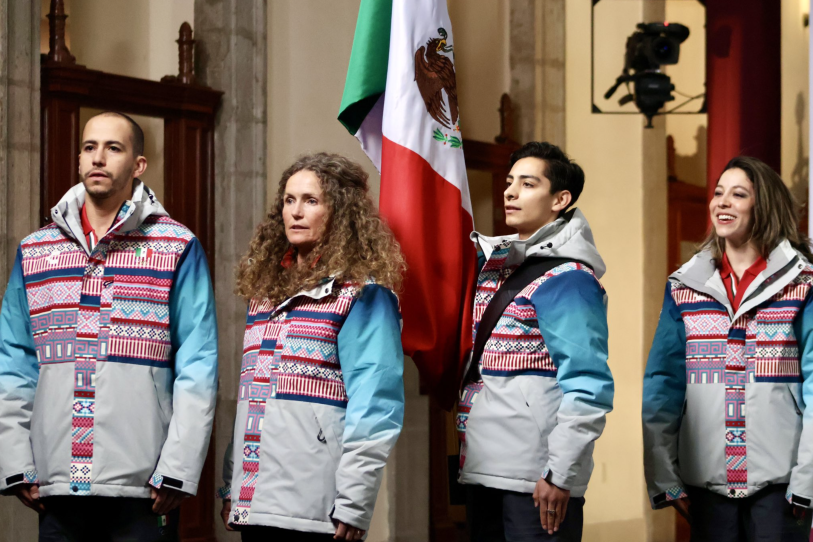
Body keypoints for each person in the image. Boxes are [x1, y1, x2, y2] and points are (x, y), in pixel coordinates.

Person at [0, 112, 218, 541]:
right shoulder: (35, 251)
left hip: (144, 488)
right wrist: (15, 462)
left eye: (113, 148)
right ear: (79, 159)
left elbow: (199, 366)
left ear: (139, 165)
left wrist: (178, 469)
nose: (98, 157)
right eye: (89, 147)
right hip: (57, 485)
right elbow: (14, 363)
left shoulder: (177, 246)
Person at [219, 152, 406, 541]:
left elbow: (375, 404)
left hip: (317, 508)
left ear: (340, 211)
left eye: (311, 200)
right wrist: (232, 485)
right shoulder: (264, 295)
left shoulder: (362, 294)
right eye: (289, 200)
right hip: (254, 502)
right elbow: (251, 400)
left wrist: (355, 501)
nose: (296, 212)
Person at [643, 156, 813, 541]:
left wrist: (808, 480)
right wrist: (665, 477)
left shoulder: (802, 284)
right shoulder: (684, 287)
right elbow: (662, 385)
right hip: (706, 487)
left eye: (738, 194)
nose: (722, 202)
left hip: (781, 487)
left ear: (764, 206)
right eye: (718, 193)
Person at [457, 141, 614, 541]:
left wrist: (559, 474)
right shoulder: (494, 267)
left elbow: (589, 386)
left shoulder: (569, 280)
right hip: (481, 466)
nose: (510, 192)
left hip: (535, 478)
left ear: (560, 199)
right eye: (510, 182)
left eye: (528, 184)